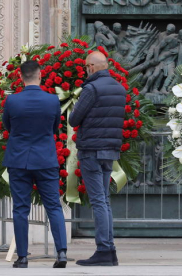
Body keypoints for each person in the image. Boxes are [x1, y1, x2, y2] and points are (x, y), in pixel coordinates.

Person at [2, 61, 67, 269]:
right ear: (40, 75)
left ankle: (22, 257)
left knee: (21, 208)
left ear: (21, 77)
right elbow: (55, 127)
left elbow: (8, 126)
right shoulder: (52, 100)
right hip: (45, 159)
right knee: (54, 206)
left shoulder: (12, 100)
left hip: (19, 159)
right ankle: (62, 253)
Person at [69, 51, 126, 266]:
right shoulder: (119, 89)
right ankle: (109, 250)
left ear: (92, 66)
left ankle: (103, 250)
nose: (86, 70)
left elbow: (75, 119)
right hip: (109, 151)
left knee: (98, 201)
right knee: (104, 200)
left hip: (91, 150)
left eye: (86, 67)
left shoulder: (91, 89)